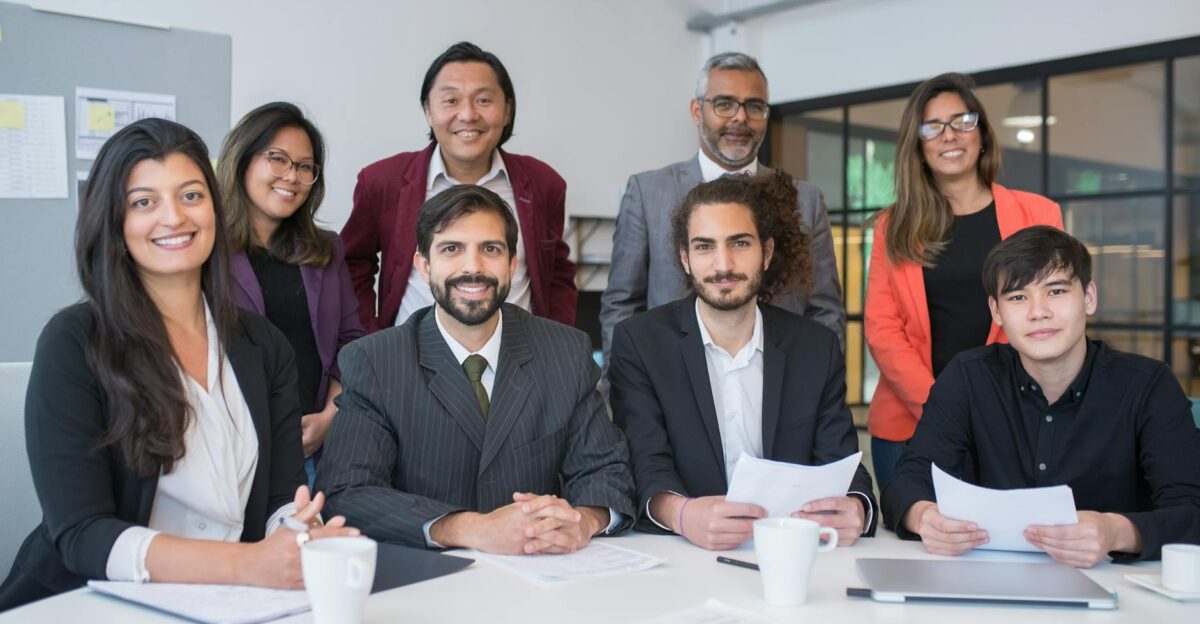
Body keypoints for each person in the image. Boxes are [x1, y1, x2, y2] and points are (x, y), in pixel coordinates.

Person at [0, 119, 358, 611]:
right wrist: (250, 563)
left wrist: (297, 532)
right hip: (87, 603)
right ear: (114, 222)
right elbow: (83, 534)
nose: (173, 217)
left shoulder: (263, 345)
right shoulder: (75, 342)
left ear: (214, 207)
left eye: (191, 195)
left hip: (230, 603)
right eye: (144, 202)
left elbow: (281, 500)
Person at [318, 185, 635, 554]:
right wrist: (470, 529)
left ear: (512, 264)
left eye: (491, 249)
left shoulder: (566, 352)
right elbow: (348, 493)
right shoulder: (375, 361)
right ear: (424, 265)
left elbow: (608, 471)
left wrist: (584, 521)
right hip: (429, 578)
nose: (473, 267)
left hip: (540, 570)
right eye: (451, 249)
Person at [882, 226, 1200, 567]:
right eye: (1018, 297)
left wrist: (1115, 531)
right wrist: (925, 516)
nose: (1038, 312)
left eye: (1056, 291)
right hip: (988, 577)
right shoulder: (968, 377)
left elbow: (1191, 509)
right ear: (996, 311)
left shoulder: (1148, 385)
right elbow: (907, 481)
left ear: (1089, 297)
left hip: (1114, 583)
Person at [610, 172, 875, 551]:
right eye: (705, 246)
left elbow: (843, 464)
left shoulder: (815, 348)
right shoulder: (641, 343)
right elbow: (645, 462)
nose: (723, 265)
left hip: (791, 549)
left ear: (766, 253)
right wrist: (683, 514)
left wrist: (855, 508)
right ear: (685, 258)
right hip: (684, 552)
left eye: (739, 243)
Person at [865, 72, 1062, 490]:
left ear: (982, 134)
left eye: (962, 121)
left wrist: (988, 412)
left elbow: (1049, 315)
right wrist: (944, 410)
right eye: (932, 127)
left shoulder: (1039, 215)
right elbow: (883, 330)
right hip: (910, 425)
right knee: (916, 532)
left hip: (1013, 421)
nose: (949, 135)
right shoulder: (893, 226)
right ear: (918, 146)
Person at [600, 51, 844, 364]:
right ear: (697, 111)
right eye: (724, 104)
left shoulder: (805, 200)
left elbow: (825, 311)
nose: (740, 117)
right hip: (672, 380)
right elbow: (621, 306)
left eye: (753, 106)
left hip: (783, 381)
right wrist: (624, 386)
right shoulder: (648, 194)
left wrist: (821, 383)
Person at [342, 41, 575, 332]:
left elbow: (557, 272)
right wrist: (368, 342)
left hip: (518, 354)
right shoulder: (382, 181)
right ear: (428, 110)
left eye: (483, 100)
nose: (468, 115)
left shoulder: (543, 184)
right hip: (412, 354)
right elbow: (353, 265)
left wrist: (556, 343)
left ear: (507, 110)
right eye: (451, 100)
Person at [217, 102, 365, 477]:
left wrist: (330, 416)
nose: (292, 176)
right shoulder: (207, 250)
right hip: (228, 448)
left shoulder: (326, 249)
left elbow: (351, 342)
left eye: (304, 166)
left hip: (311, 448)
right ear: (243, 160)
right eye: (278, 159)